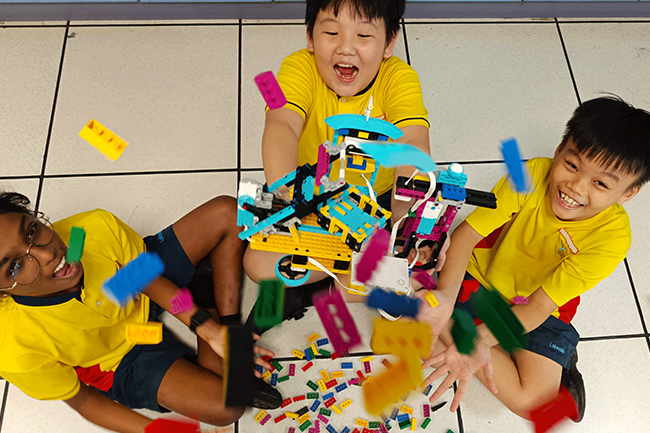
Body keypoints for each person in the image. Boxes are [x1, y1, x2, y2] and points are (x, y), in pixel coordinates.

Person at [416, 96, 650, 422]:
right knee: (415, 318)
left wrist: (476, 339)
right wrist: (444, 298)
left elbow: (539, 306)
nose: (575, 187)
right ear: (559, 150)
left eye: (600, 183)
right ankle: (477, 338)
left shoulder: (613, 240)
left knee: (533, 403)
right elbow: (466, 236)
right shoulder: (528, 174)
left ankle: (469, 336)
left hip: (539, 304)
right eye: (572, 165)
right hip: (482, 278)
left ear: (628, 193)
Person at [0, 192, 282, 433]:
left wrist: (210, 329)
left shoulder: (84, 231)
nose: (48, 255)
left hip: (130, 287)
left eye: (32, 231)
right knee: (227, 408)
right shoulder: (13, 347)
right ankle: (204, 288)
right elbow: (84, 400)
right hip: (117, 358)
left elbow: (140, 276)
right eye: (14, 267)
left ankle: (227, 326)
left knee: (230, 212)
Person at [243, 0, 444, 330]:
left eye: (363, 35)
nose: (346, 48)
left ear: (389, 43)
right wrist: (289, 196)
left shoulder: (401, 78)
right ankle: (352, 279)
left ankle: (316, 287)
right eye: (332, 33)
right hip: (313, 199)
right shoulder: (296, 66)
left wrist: (403, 225)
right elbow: (281, 123)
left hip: (378, 202)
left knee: (425, 257)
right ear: (310, 37)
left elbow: (412, 144)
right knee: (257, 263)